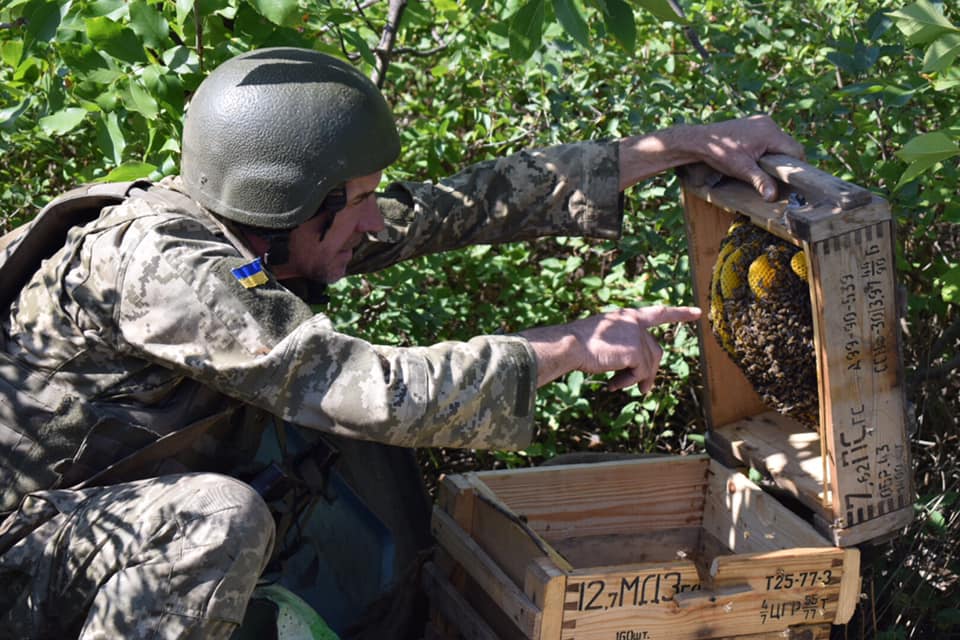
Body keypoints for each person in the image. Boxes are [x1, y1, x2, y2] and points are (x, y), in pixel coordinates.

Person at [0, 47, 804, 639]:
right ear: (292, 205)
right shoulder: (169, 269)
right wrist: (568, 345)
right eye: (359, 203)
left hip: (100, 517)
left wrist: (680, 147)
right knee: (220, 519)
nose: (378, 220)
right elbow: (364, 389)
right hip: (24, 554)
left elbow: (460, 206)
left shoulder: (256, 230)